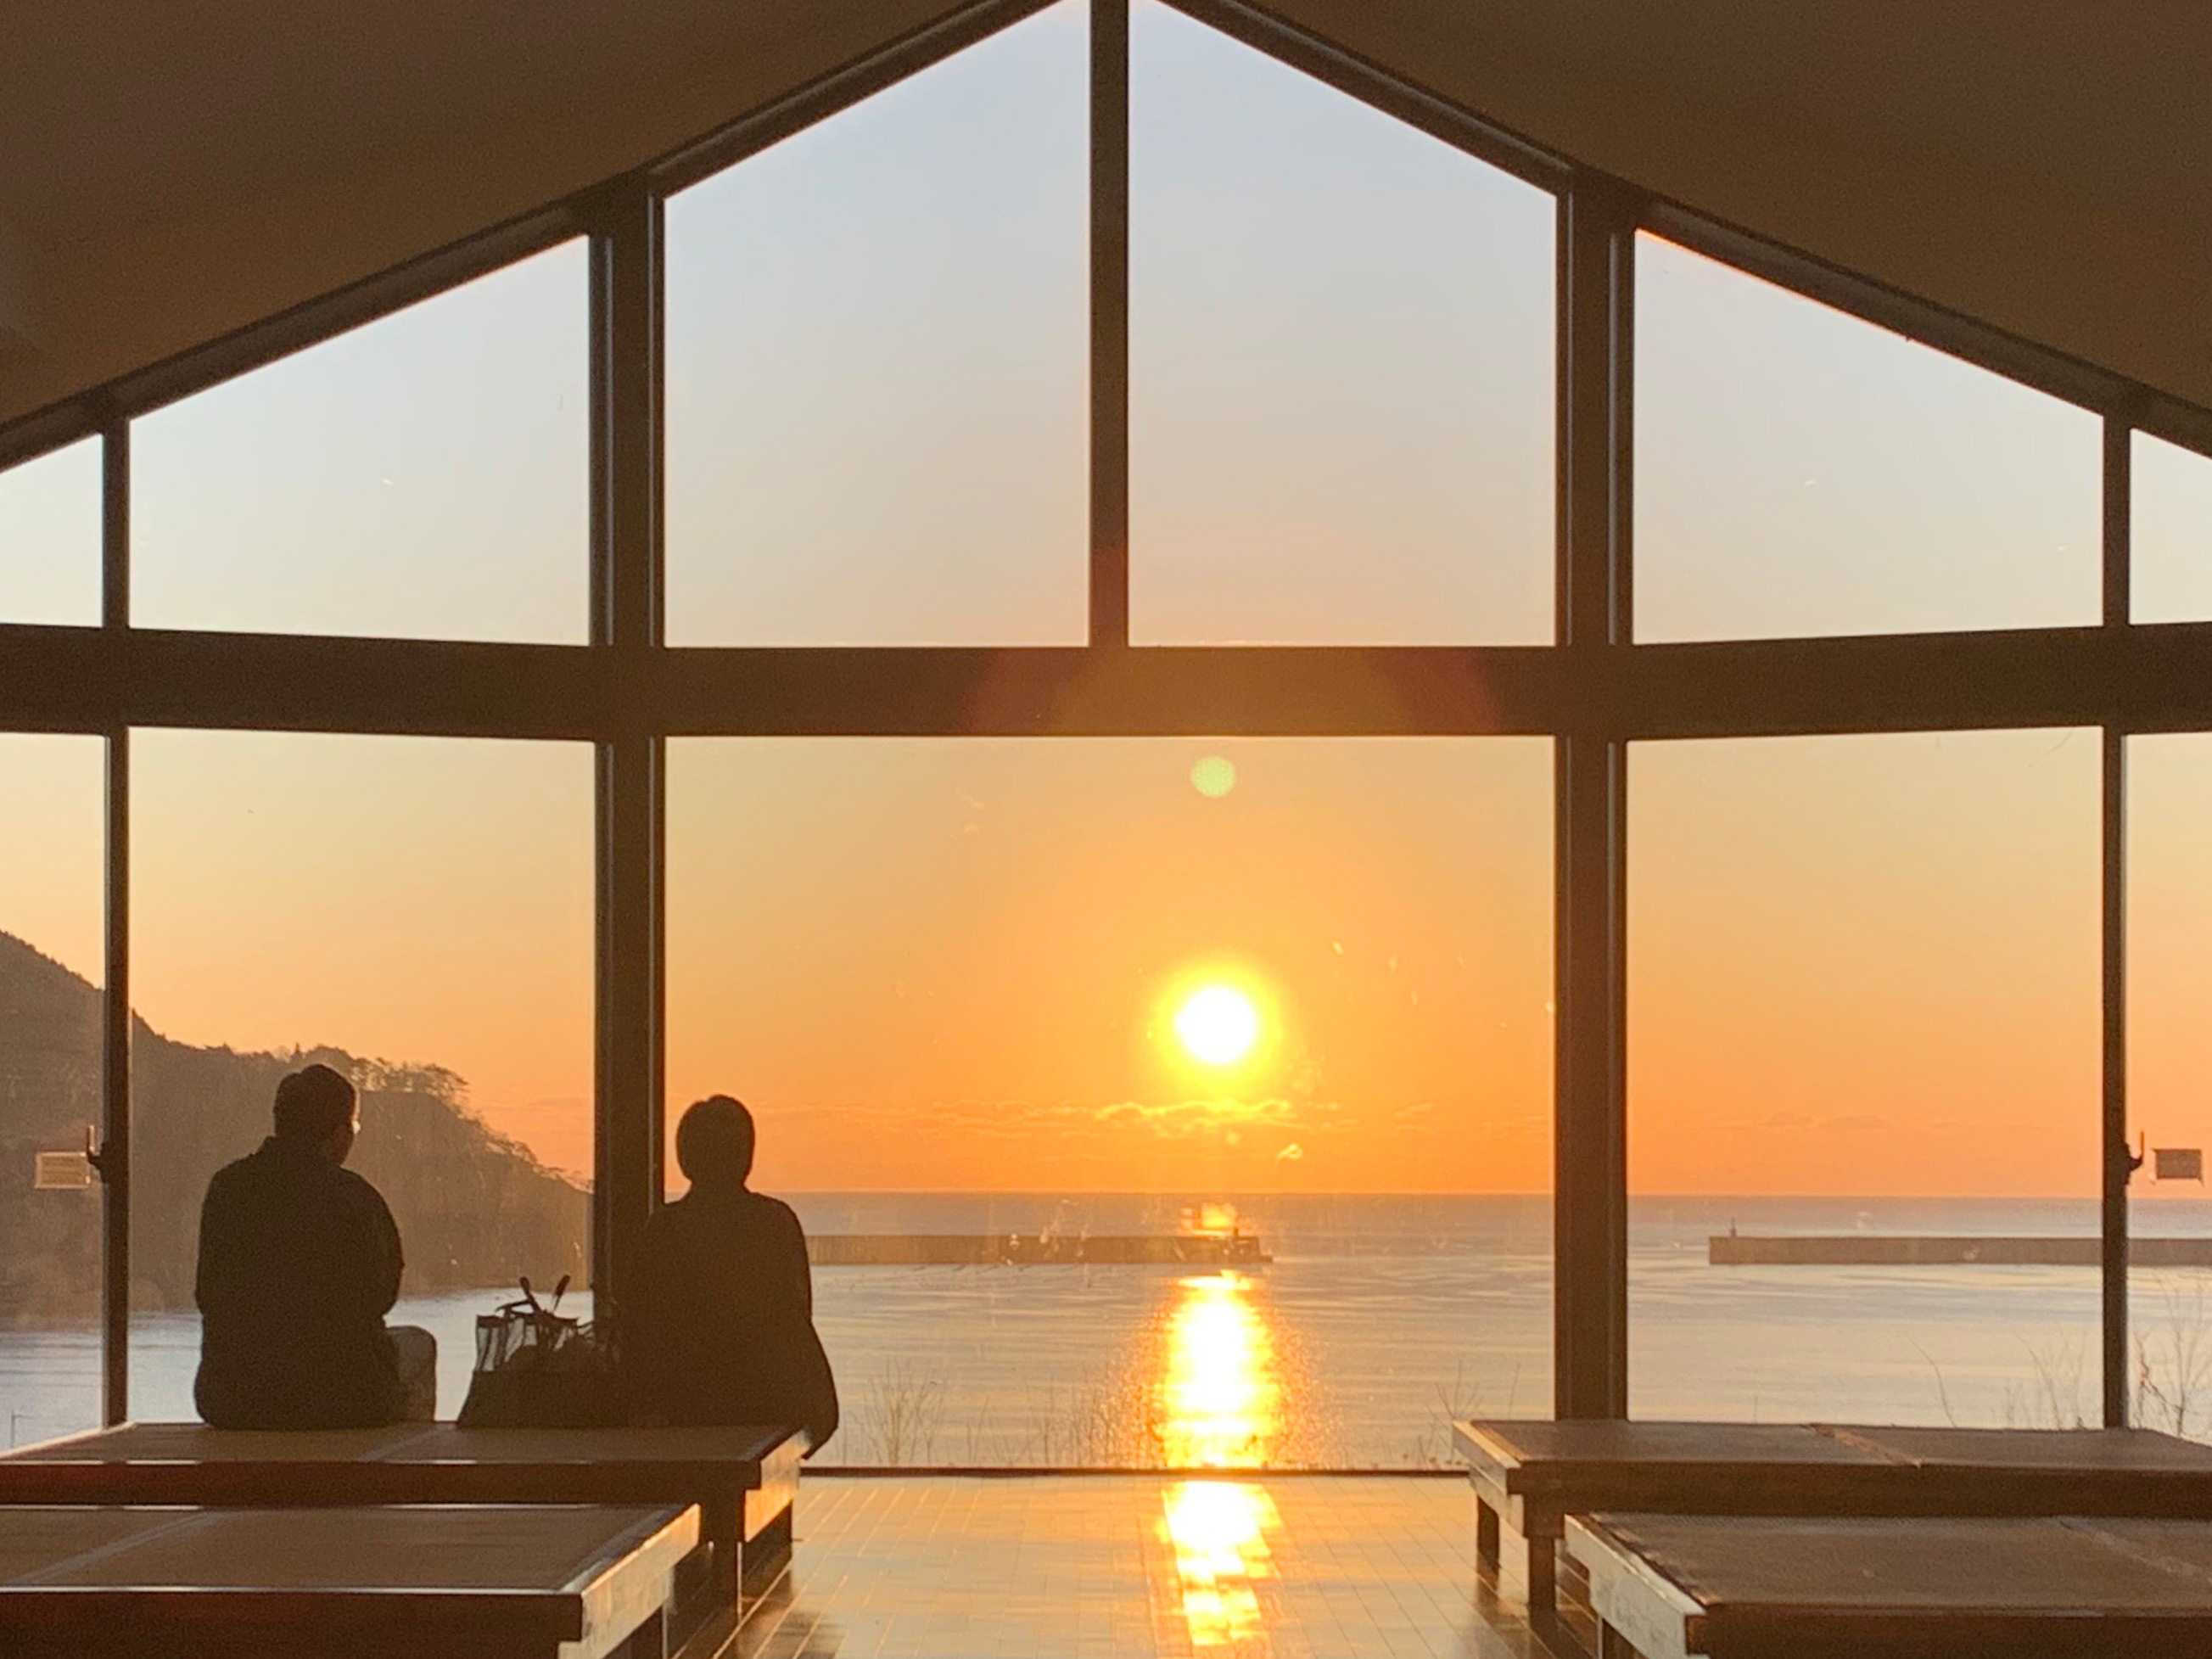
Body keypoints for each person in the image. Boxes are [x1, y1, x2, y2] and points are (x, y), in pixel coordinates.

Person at [193, 1063, 437, 1428]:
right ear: (338, 1132)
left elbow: (208, 1292)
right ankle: (393, 1471)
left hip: (233, 1400)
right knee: (417, 1344)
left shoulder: (227, 1188)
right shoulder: (355, 1197)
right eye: (353, 1126)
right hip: (340, 1400)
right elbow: (381, 1294)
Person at [627, 1096, 838, 1450]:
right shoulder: (775, 1222)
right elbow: (796, 1314)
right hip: (770, 1399)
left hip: (683, 1405)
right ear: (746, 1156)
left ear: (685, 1158)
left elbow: (641, 1325)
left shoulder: (663, 1229)